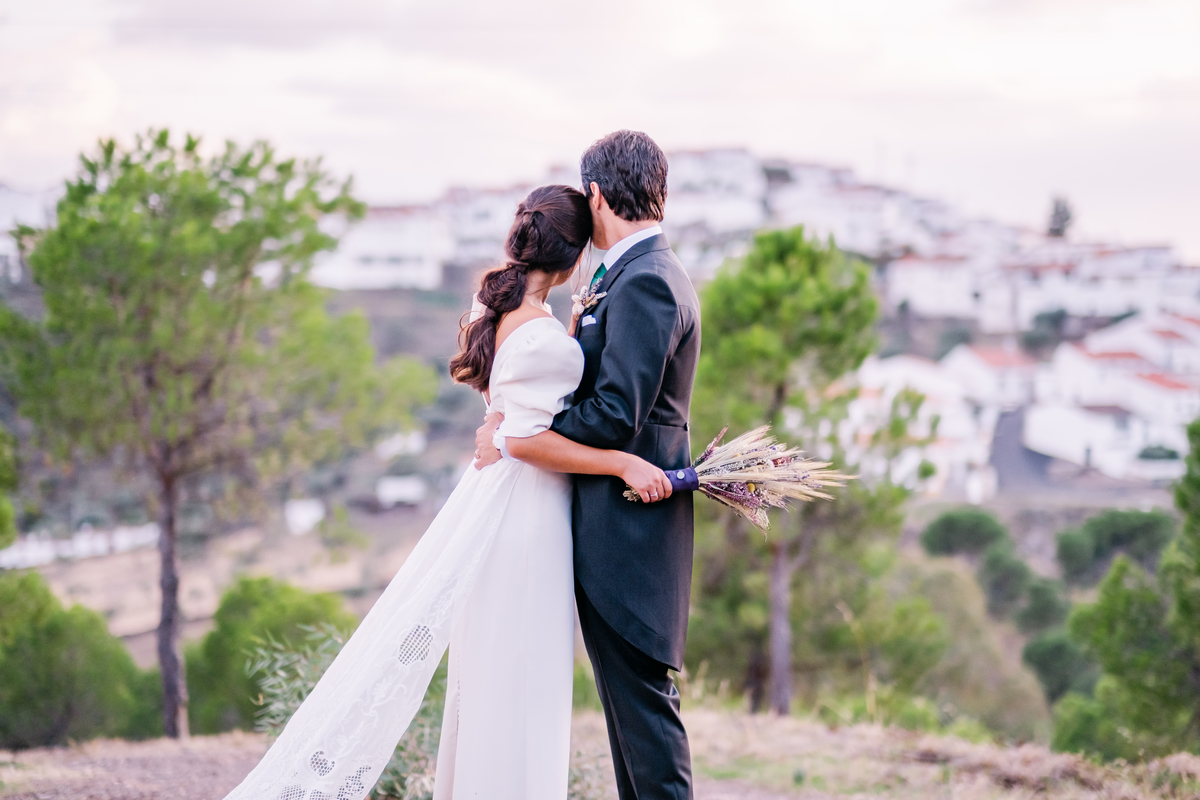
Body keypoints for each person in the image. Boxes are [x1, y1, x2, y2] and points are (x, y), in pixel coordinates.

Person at [221, 182, 672, 800]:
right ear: (571, 258)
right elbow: (529, 436)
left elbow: (510, 412)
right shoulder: (538, 331)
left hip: (501, 501)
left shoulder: (505, 310)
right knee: (522, 673)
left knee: (492, 671)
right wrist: (622, 462)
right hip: (527, 512)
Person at [476, 130, 701, 800]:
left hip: (629, 537)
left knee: (645, 720)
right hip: (611, 528)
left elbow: (613, 414)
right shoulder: (632, 276)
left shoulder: (649, 282)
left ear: (597, 194)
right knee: (630, 723)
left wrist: (527, 432)